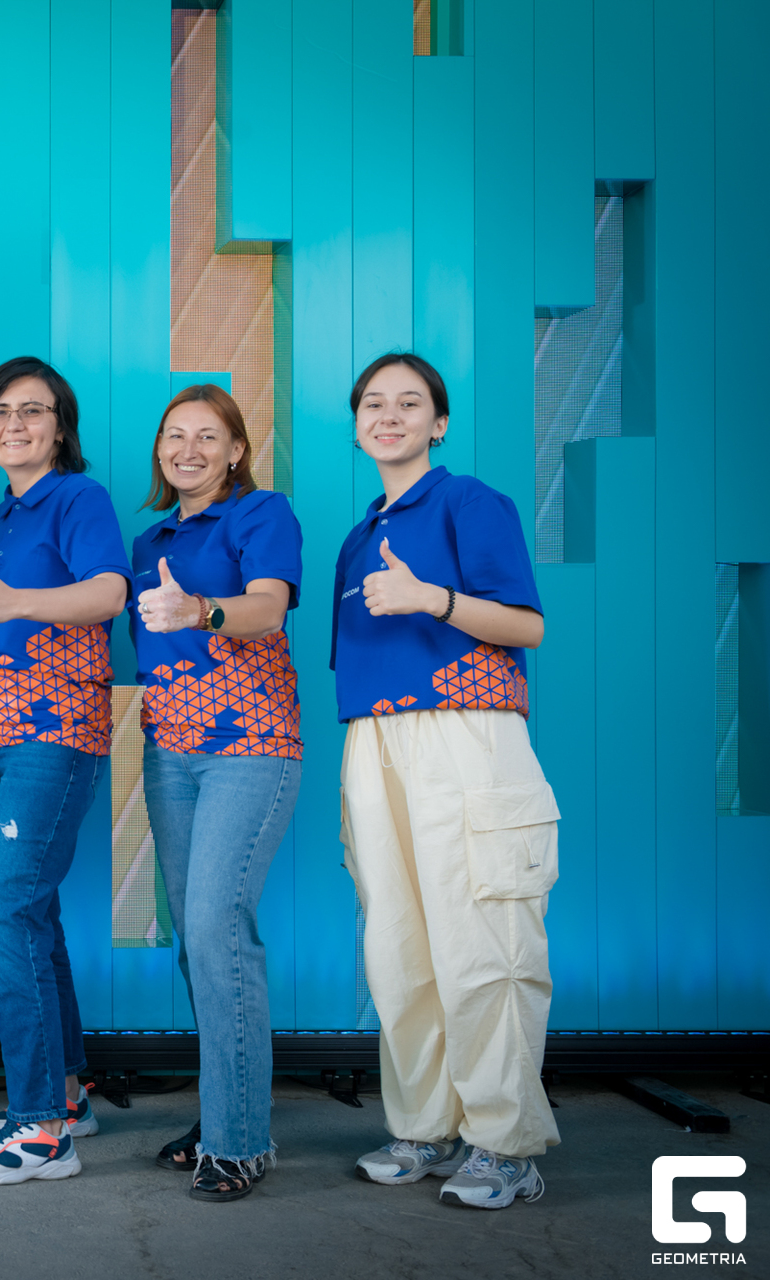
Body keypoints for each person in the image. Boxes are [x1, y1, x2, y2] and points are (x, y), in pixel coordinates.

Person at [333, 352, 558, 1210]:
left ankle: (506, 1145)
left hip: (466, 734)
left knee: (483, 942)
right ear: (357, 423)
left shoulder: (470, 502)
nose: (388, 416)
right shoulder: (359, 536)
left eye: (409, 403)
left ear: (440, 422)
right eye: (373, 403)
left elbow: (527, 626)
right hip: (375, 741)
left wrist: (435, 599)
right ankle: (425, 1126)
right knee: (398, 947)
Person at [0, 358, 128, 1186]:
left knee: (3, 913)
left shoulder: (79, 499)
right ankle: (66, 1093)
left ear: (61, 426)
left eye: (32, 411)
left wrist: (15, 601)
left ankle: (41, 1131)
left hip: (55, 733)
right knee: (34, 916)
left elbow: (109, 593)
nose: (13, 425)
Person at [130, 384, 303, 1203]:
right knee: (196, 944)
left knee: (215, 928)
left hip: (249, 749)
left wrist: (199, 609)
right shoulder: (150, 539)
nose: (188, 449)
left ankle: (240, 1143)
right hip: (169, 754)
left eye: (208, 436)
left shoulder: (262, 513)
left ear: (236, 451)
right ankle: (224, 1117)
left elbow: (267, 608)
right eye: (175, 435)